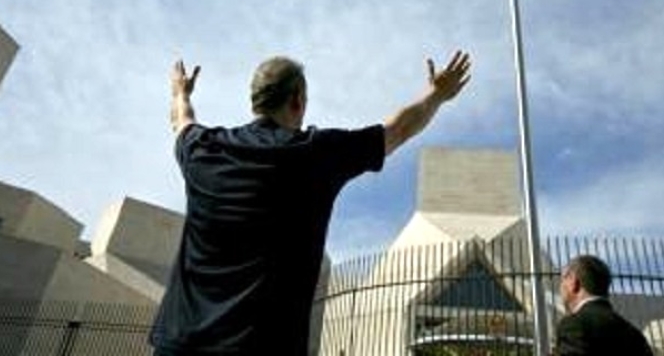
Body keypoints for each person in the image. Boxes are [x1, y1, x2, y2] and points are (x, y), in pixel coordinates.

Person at [149, 51, 472, 355]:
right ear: (298, 101)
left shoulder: (203, 149)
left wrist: (180, 91)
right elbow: (398, 130)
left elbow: (181, 121)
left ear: (255, 101)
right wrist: (437, 95)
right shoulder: (315, 153)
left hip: (180, 342)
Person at [555, 254, 654, 356]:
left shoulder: (575, 324)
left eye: (562, 280)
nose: (560, 288)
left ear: (573, 283)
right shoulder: (635, 335)